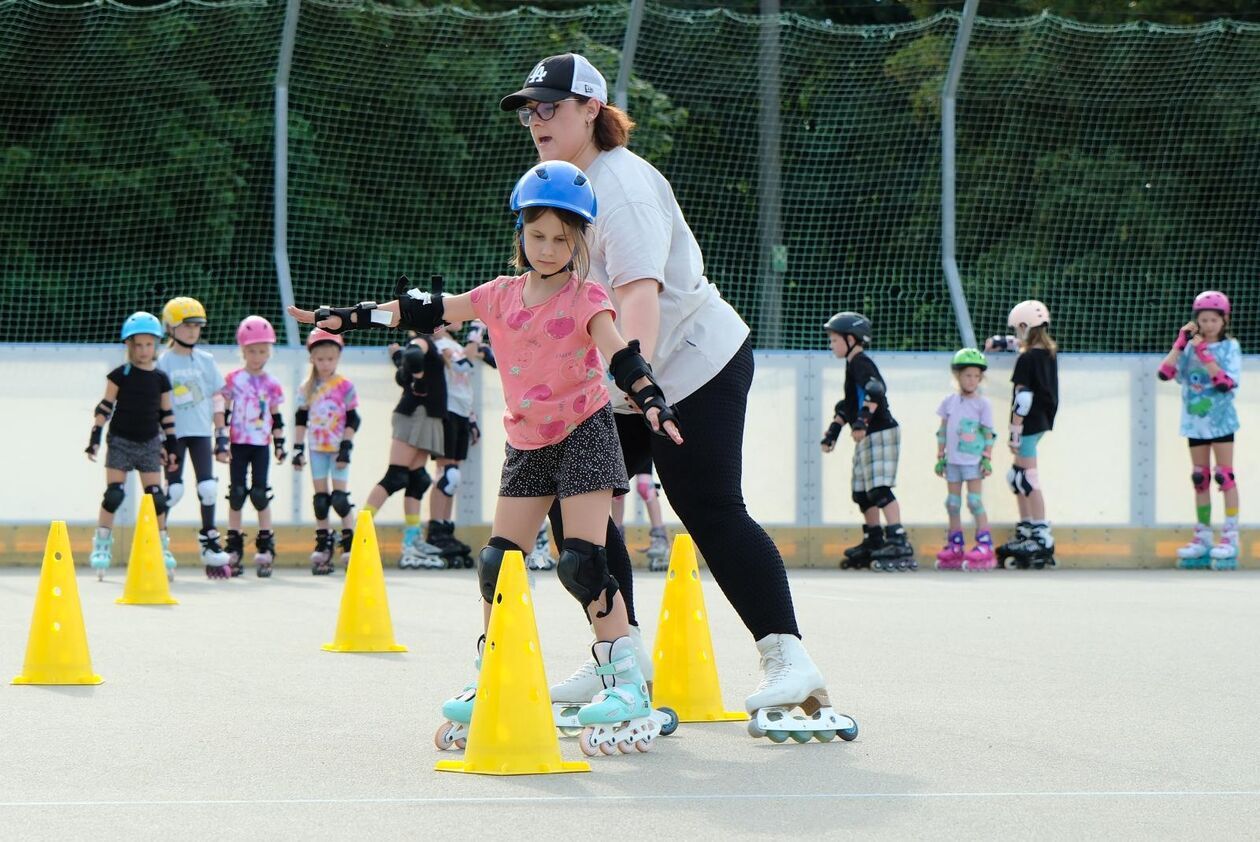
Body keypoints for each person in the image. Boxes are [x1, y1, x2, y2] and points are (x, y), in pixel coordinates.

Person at [494, 53, 851, 741]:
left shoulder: (620, 186)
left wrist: (636, 386)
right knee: (579, 514)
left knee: (709, 508)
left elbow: (638, 297)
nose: (534, 119)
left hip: (693, 367)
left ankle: (789, 657)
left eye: (550, 107)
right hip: (620, 377)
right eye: (528, 109)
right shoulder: (559, 185)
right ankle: (620, 663)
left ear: (591, 110)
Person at [289, 159, 685, 755]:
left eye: (561, 238)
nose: (548, 248)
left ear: (579, 242)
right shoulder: (498, 297)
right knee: (498, 564)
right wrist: (343, 318)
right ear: (520, 234)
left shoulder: (588, 297)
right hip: (527, 441)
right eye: (538, 235)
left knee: (582, 561)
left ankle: (625, 683)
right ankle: (493, 673)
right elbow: (419, 310)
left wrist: (650, 398)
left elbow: (620, 353)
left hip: (584, 431)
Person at [85, 312, 179, 581]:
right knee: (114, 495)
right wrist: (94, 438)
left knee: (156, 498)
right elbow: (104, 407)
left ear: (156, 345)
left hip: (150, 442)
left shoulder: (161, 378)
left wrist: (171, 446)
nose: (143, 350)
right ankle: (102, 545)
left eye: (148, 344)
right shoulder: (120, 375)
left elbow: (167, 415)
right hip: (121, 441)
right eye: (137, 345)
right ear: (129, 346)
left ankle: (162, 547)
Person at [821, 312, 915, 572]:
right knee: (862, 493)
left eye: (834, 340)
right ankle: (875, 539)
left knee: (879, 489)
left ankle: (898, 539)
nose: (831, 345)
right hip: (867, 435)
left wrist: (862, 421)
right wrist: (833, 432)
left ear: (851, 339)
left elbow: (876, 389)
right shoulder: (852, 365)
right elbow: (847, 406)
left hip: (881, 431)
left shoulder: (862, 362)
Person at [1157, 290, 1241, 570]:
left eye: (1213, 320)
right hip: (1195, 423)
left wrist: (1205, 355)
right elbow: (1165, 373)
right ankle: (1203, 535)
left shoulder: (1231, 348)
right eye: (1203, 320)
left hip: (1221, 420)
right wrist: (1180, 345)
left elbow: (1226, 383)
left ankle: (1230, 534)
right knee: (1199, 477)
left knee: (1224, 475)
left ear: (1224, 320)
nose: (1208, 325)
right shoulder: (1190, 348)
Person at [157, 296, 232, 576]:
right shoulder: (163, 362)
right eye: (187, 325)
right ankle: (159, 542)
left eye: (197, 326)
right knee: (173, 491)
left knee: (208, 489)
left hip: (201, 432)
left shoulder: (206, 360)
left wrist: (222, 436)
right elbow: (157, 403)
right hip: (173, 434)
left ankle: (210, 542)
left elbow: (217, 399)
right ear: (171, 327)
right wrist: (160, 439)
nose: (193, 331)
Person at [986, 301, 1059, 570]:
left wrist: (1015, 431)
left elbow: (1023, 398)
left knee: (1026, 479)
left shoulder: (1026, 359)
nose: (1016, 334)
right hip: (1042, 421)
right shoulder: (1047, 353)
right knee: (1017, 478)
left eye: (1018, 329)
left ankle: (1040, 534)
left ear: (1026, 327)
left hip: (1027, 424)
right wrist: (1000, 341)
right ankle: (1028, 529)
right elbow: (1023, 345)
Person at [220, 316, 287, 578]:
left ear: (269, 352)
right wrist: (221, 442)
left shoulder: (271, 384)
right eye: (251, 351)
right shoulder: (233, 379)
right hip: (238, 442)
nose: (257, 356)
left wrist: (280, 444)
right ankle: (234, 546)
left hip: (261, 444)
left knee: (260, 494)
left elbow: (276, 415)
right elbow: (224, 413)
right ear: (243, 351)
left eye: (262, 351)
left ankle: (265, 545)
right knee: (236, 494)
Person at [291, 328, 360, 575]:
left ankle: (350, 543)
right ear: (312, 358)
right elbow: (300, 419)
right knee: (321, 501)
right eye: (320, 359)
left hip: (337, 449)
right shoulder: (306, 388)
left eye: (330, 359)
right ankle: (323, 544)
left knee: (340, 500)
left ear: (338, 358)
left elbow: (353, 419)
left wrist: (346, 446)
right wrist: (297, 449)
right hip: (317, 449)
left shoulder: (345, 386)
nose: (325, 363)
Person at [379, 334, 450, 569]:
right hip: (415, 415)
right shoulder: (424, 341)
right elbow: (413, 355)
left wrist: (399, 358)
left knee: (417, 480)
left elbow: (406, 365)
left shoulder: (433, 344)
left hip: (426, 416)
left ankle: (411, 541)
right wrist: (419, 378)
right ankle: (356, 533)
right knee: (395, 477)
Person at [424, 320, 483, 568]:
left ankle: (445, 529)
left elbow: (464, 384)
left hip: (460, 413)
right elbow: (462, 365)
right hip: (446, 413)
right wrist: (476, 334)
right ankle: (435, 530)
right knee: (446, 474)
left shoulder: (452, 343)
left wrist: (471, 419)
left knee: (453, 476)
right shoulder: (439, 344)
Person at [932, 348, 996, 571]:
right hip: (953, 462)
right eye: (968, 375)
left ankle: (984, 543)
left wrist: (987, 457)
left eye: (977, 376)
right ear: (958, 376)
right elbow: (942, 431)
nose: (972, 380)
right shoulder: (948, 402)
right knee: (952, 503)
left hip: (973, 461)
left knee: (974, 501)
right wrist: (940, 455)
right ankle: (956, 544)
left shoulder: (983, 404)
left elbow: (989, 433)